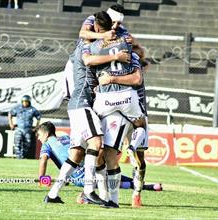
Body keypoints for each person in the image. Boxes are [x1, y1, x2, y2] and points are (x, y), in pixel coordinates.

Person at [44, 11, 130, 206]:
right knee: (96, 143)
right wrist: (116, 54)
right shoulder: (85, 45)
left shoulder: (93, 45)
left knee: (76, 153)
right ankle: (89, 191)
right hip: (81, 102)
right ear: (98, 29)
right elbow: (88, 60)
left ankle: (53, 194)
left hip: (79, 105)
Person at [37, 121, 162, 203]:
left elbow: (43, 160)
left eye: (39, 135)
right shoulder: (66, 138)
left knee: (112, 181)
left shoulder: (47, 144)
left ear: (46, 134)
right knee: (114, 178)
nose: (38, 138)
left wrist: (42, 179)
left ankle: (86, 197)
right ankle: (147, 186)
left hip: (80, 177)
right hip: (89, 168)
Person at [98, 45, 150, 207]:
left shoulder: (132, 66)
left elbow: (137, 78)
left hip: (132, 112)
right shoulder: (123, 63)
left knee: (126, 156)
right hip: (126, 112)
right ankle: (102, 192)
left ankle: (134, 193)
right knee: (108, 154)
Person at [8, 95, 41, 159]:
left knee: (28, 144)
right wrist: (11, 124)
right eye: (24, 101)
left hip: (28, 129)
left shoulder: (32, 109)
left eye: (26, 101)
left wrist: (36, 127)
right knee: (17, 143)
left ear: (29, 102)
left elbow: (39, 117)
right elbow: (10, 114)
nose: (25, 103)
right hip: (19, 128)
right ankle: (18, 157)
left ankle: (23, 156)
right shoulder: (17, 108)